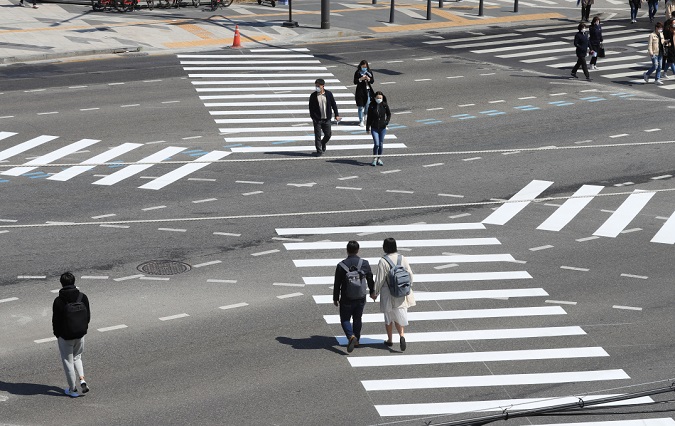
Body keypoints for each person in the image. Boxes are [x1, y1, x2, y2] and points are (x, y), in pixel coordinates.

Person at [372, 238, 416, 352]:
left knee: (388, 318)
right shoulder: (403, 258)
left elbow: (379, 279)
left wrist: (375, 292)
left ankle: (390, 339)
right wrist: (407, 286)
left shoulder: (383, 261)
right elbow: (410, 275)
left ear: (385, 247)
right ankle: (402, 335)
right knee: (399, 316)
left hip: (388, 293)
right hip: (401, 293)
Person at [52, 272, 91, 398]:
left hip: (65, 336)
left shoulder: (59, 300)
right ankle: (82, 380)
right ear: (74, 282)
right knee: (77, 357)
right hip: (80, 334)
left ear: (62, 284)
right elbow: (88, 316)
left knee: (68, 362)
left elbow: (56, 320)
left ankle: (73, 389)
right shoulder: (82, 297)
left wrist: (57, 334)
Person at [333, 241, 375, 353]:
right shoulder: (364, 263)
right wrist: (372, 291)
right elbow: (370, 278)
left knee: (345, 319)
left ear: (347, 250)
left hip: (347, 297)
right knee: (357, 318)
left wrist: (335, 298)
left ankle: (351, 336)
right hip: (360, 297)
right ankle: (357, 340)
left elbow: (337, 283)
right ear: (358, 250)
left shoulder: (341, 265)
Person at [308, 78, 340, 156]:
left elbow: (333, 104)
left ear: (323, 86)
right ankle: (319, 151)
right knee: (318, 136)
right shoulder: (313, 96)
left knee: (328, 134)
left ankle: (323, 143)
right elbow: (310, 107)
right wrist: (313, 117)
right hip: (317, 119)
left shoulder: (328, 94)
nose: (317, 87)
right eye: (316, 86)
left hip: (327, 119)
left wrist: (336, 114)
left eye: (318, 86)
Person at [365, 91, 391, 167]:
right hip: (374, 128)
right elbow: (369, 117)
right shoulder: (371, 106)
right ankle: (374, 158)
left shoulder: (385, 105)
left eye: (380, 98)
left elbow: (389, 114)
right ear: (375, 98)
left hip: (382, 128)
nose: (379, 99)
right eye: (377, 98)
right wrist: (367, 128)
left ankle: (379, 158)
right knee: (376, 144)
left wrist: (386, 122)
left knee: (381, 144)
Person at [353, 60, 374, 127]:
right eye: (363, 66)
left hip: (367, 91)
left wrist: (368, 79)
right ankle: (361, 120)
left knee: (367, 105)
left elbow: (372, 81)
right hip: (360, 91)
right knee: (360, 107)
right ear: (360, 66)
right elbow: (355, 81)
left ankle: (365, 115)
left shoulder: (369, 72)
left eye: (365, 66)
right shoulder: (358, 72)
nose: (364, 68)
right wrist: (360, 79)